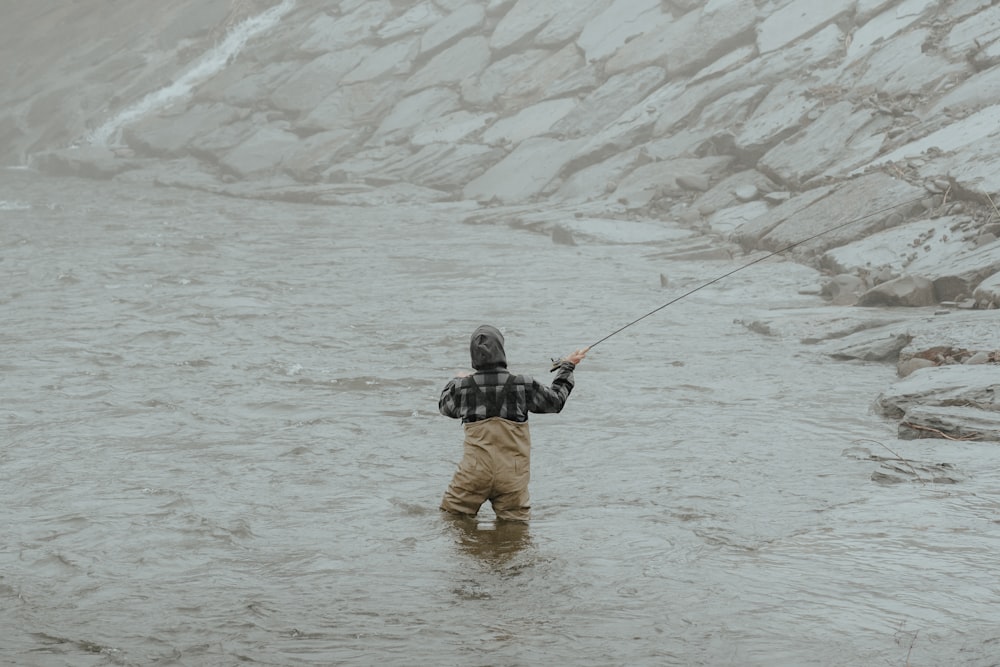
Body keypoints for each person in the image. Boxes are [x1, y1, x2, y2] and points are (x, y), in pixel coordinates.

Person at [439, 324, 588, 522]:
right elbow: (555, 401)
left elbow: (445, 407)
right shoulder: (523, 383)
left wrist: (455, 380)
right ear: (501, 350)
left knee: (452, 521)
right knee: (515, 532)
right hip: (513, 476)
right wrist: (567, 366)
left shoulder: (461, 387)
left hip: (473, 474)